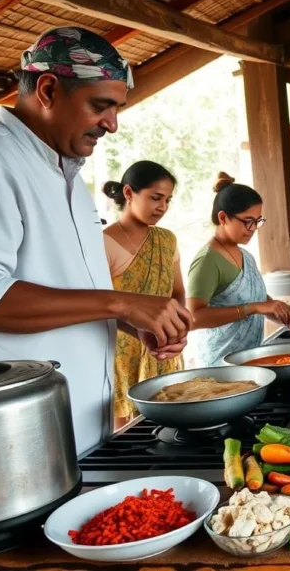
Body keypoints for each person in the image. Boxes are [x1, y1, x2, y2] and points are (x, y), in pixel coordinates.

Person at [0, 27, 191, 456]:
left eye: (116, 109)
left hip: (76, 427)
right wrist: (121, 303)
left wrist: (130, 322)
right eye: (100, 106)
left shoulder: (64, 172)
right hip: (12, 443)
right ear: (47, 89)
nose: (112, 124)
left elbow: (65, 291)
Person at [102, 161, 186, 429]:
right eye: (155, 198)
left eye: (168, 200)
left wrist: (177, 330)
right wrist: (138, 329)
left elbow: (177, 292)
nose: (162, 207)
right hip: (122, 351)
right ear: (128, 193)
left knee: (173, 418)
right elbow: (98, 306)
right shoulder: (103, 242)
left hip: (165, 346)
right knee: (127, 429)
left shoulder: (167, 239)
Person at [187, 173, 290, 366]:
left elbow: (258, 300)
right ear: (223, 217)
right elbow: (194, 318)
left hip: (248, 359)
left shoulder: (246, 256)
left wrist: (279, 311)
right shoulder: (207, 261)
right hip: (220, 365)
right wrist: (254, 308)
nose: (253, 228)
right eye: (248, 221)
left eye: (258, 221)